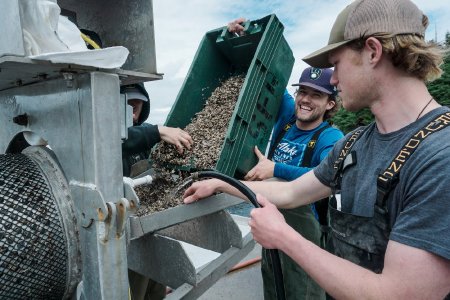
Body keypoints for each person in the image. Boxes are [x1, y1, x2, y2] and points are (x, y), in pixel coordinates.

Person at [184, 0, 450, 299]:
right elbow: (291, 192)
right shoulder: (353, 143)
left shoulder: (440, 154)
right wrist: (222, 183)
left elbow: (399, 293)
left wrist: (284, 237)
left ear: (373, 51)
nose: (334, 79)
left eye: (336, 64)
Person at [243, 66, 343, 299]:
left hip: (305, 237)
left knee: (302, 292)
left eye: (316, 95)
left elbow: (326, 175)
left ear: (330, 104)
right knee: (274, 286)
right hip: (270, 226)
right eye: (303, 92)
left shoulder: (331, 137)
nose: (306, 100)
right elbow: (269, 75)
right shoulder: (288, 117)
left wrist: (275, 168)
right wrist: (245, 34)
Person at [121, 83, 193, 300]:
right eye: (126, 105)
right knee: (135, 289)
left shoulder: (148, 135)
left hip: (153, 229)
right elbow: (124, 138)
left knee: (156, 289)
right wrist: (157, 131)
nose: (133, 112)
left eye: (137, 105)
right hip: (126, 237)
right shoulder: (106, 138)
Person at [120, 83, 193, 178]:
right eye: (126, 103)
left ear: (143, 105)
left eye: (135, 107)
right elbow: (119, 141)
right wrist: (157, 131)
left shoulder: (148, 130)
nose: (132, 115)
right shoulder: (102, 137)